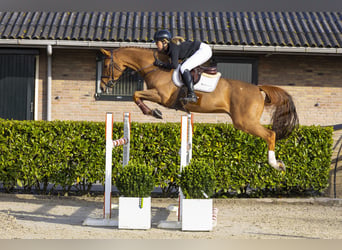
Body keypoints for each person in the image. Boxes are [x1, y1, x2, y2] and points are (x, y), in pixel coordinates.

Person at [153, 30, 213, 103]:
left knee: (184, 67)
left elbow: (174, 65)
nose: (156, 45)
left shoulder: (173, 47)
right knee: (183, 66)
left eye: (157, 43)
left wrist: (161, 64)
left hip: (203, 50)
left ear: (164, 42)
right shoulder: (169, 48)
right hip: (201, 49)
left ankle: (192, 95)